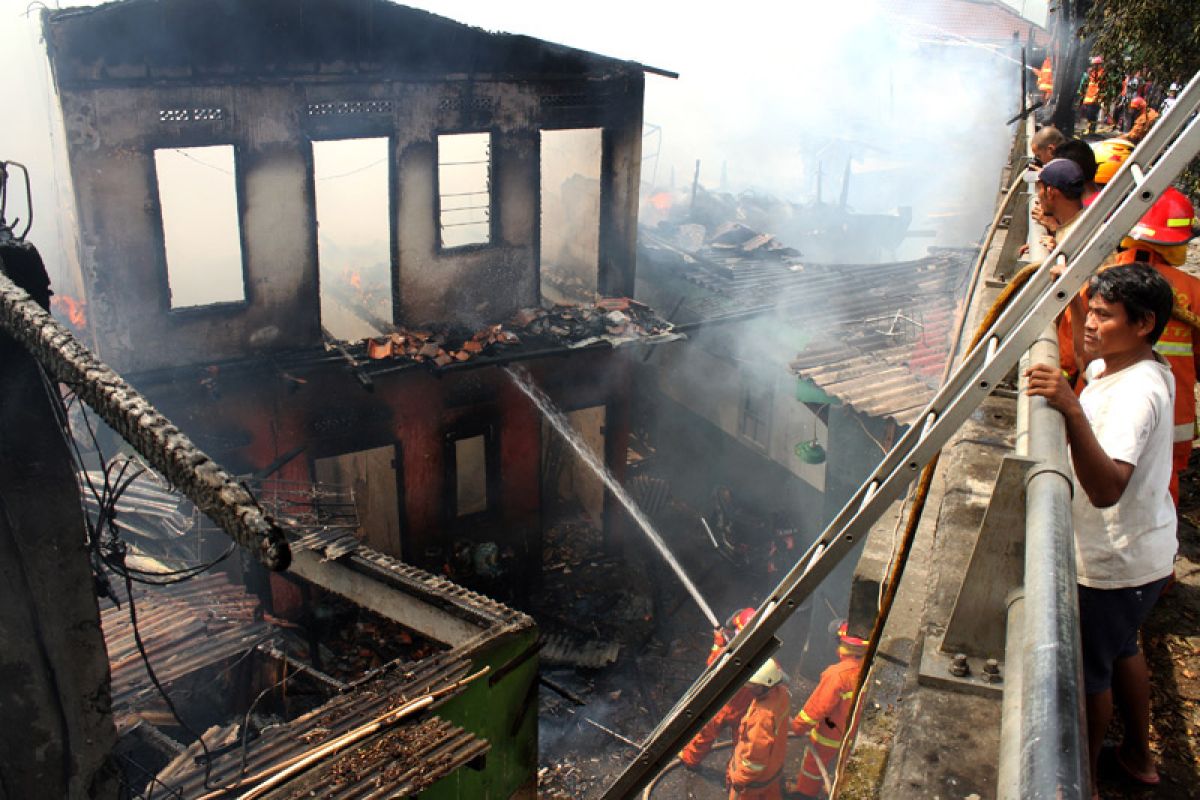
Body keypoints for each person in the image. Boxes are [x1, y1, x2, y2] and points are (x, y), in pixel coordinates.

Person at [1026, 263, 1177, 794]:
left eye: (1104, 315)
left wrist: (1068, 408)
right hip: (1142, 553)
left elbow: (1107, 488)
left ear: (1143, 324)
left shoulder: (1136, 395)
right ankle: (1138, 756)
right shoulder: (1128, 364)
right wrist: (1070, 296)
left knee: (1087, 676)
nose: (1089, 324)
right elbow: (1087, 358)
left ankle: (1081, 781)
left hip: (1113, 563)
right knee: (1122, 648)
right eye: (1089, 310)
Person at [1109, 188, 1200, 503]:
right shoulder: (1192, 291)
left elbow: (1071, 348)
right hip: (1172, 415)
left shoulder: (1101, 278)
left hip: (1106, 404)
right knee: (1160, 489)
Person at [787, 622, 867, 800]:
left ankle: (805, 794)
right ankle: (834, 790)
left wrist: (798, 726)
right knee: (845, 766)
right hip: (854, 733)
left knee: (813, 767)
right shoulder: (868, 667)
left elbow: (817, 709)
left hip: (830, 735)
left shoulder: (837, 675)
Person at [680, 608, 758, 768]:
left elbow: (711, 665)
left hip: (721, 705)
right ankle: (736, 774)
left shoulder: (727, 655)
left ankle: (690, 760)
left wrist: (719, 643)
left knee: (705, 735)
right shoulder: (761, 654)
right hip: (745, 709)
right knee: (741, 745)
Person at [725, 658, 791, 800]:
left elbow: (754, 758)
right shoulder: (782, 694)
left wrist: (739, 780)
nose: (749, 688)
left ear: (767, 684)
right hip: (773, 769)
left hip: (753, 781)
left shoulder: (762, 717)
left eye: (754, 685)